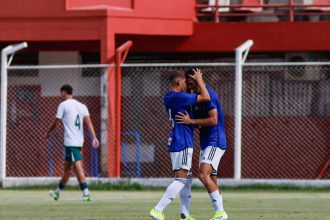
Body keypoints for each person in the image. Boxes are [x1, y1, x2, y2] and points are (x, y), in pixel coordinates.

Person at [149, 69, 210, 220]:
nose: (186, 85)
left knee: (186, 179)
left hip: (177, 139)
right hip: (182, 140)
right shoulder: (179, 97)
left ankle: (185, 214)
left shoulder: (170, 97)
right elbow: (206, 97)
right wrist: (200, 80)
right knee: (181, 179)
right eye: (184, 82)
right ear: (178, 82)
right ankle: (158, 210)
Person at [175, 68, 228, 220]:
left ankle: (221, 213)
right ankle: (219, 212)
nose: (190, 87)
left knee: (203, 174)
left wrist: (191, 121)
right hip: (206, 142)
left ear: (200, 80)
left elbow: (213, 120)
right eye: (188, 84)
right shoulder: (195, 97)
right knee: (211, 178)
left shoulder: (209, 94)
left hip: (215, 140)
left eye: (193, 83)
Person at [45, 84, 100, 202]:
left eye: (61, 93)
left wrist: (48, 132)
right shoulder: (82, 106)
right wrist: (94, 137)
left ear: (64, 92)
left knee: (77, 166)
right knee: (67, 170)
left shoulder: (63, 105)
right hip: (79, 141)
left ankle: (86, 193)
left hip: (71, 141)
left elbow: (56, 122)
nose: (61, 96)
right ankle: (57, 192)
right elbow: (89, 122)